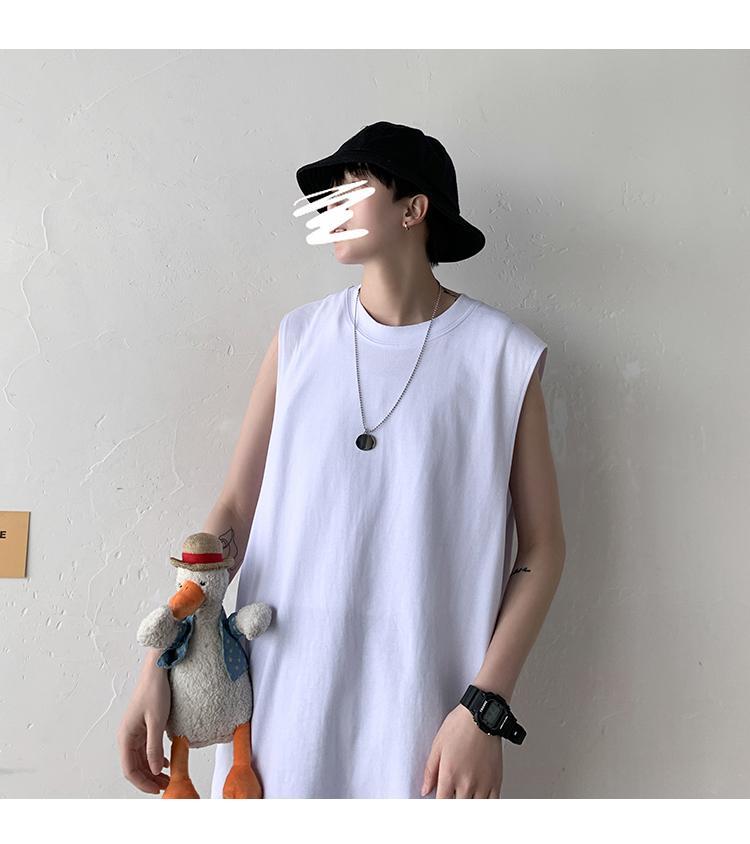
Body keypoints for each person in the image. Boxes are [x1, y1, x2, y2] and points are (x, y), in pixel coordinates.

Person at [118, 121, 565, 799]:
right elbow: (234, 511)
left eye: (350, 190)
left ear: (413, 210)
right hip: (278, 716)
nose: (328, 208)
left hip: (428, 724)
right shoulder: (300, 339)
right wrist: (164, 657)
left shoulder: (501, 357)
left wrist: (485, 710)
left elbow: (543, 549)